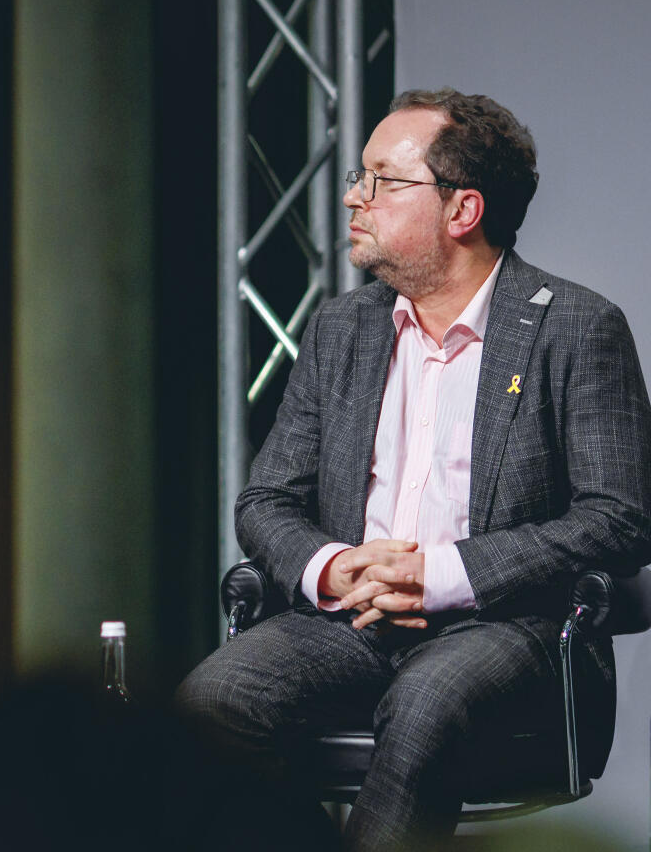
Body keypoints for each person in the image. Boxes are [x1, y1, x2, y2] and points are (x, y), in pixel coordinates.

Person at [176, 89, 651, 850]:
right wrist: (334, 568)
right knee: (209, 700)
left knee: (427, 699)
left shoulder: (576, 326)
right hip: (352, 619)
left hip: (509, 625)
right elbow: (267, 498)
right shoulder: (342, 327)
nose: (353, 197)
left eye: (381, 181)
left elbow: (619, 518)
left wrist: (439, 574)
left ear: (462, 210)